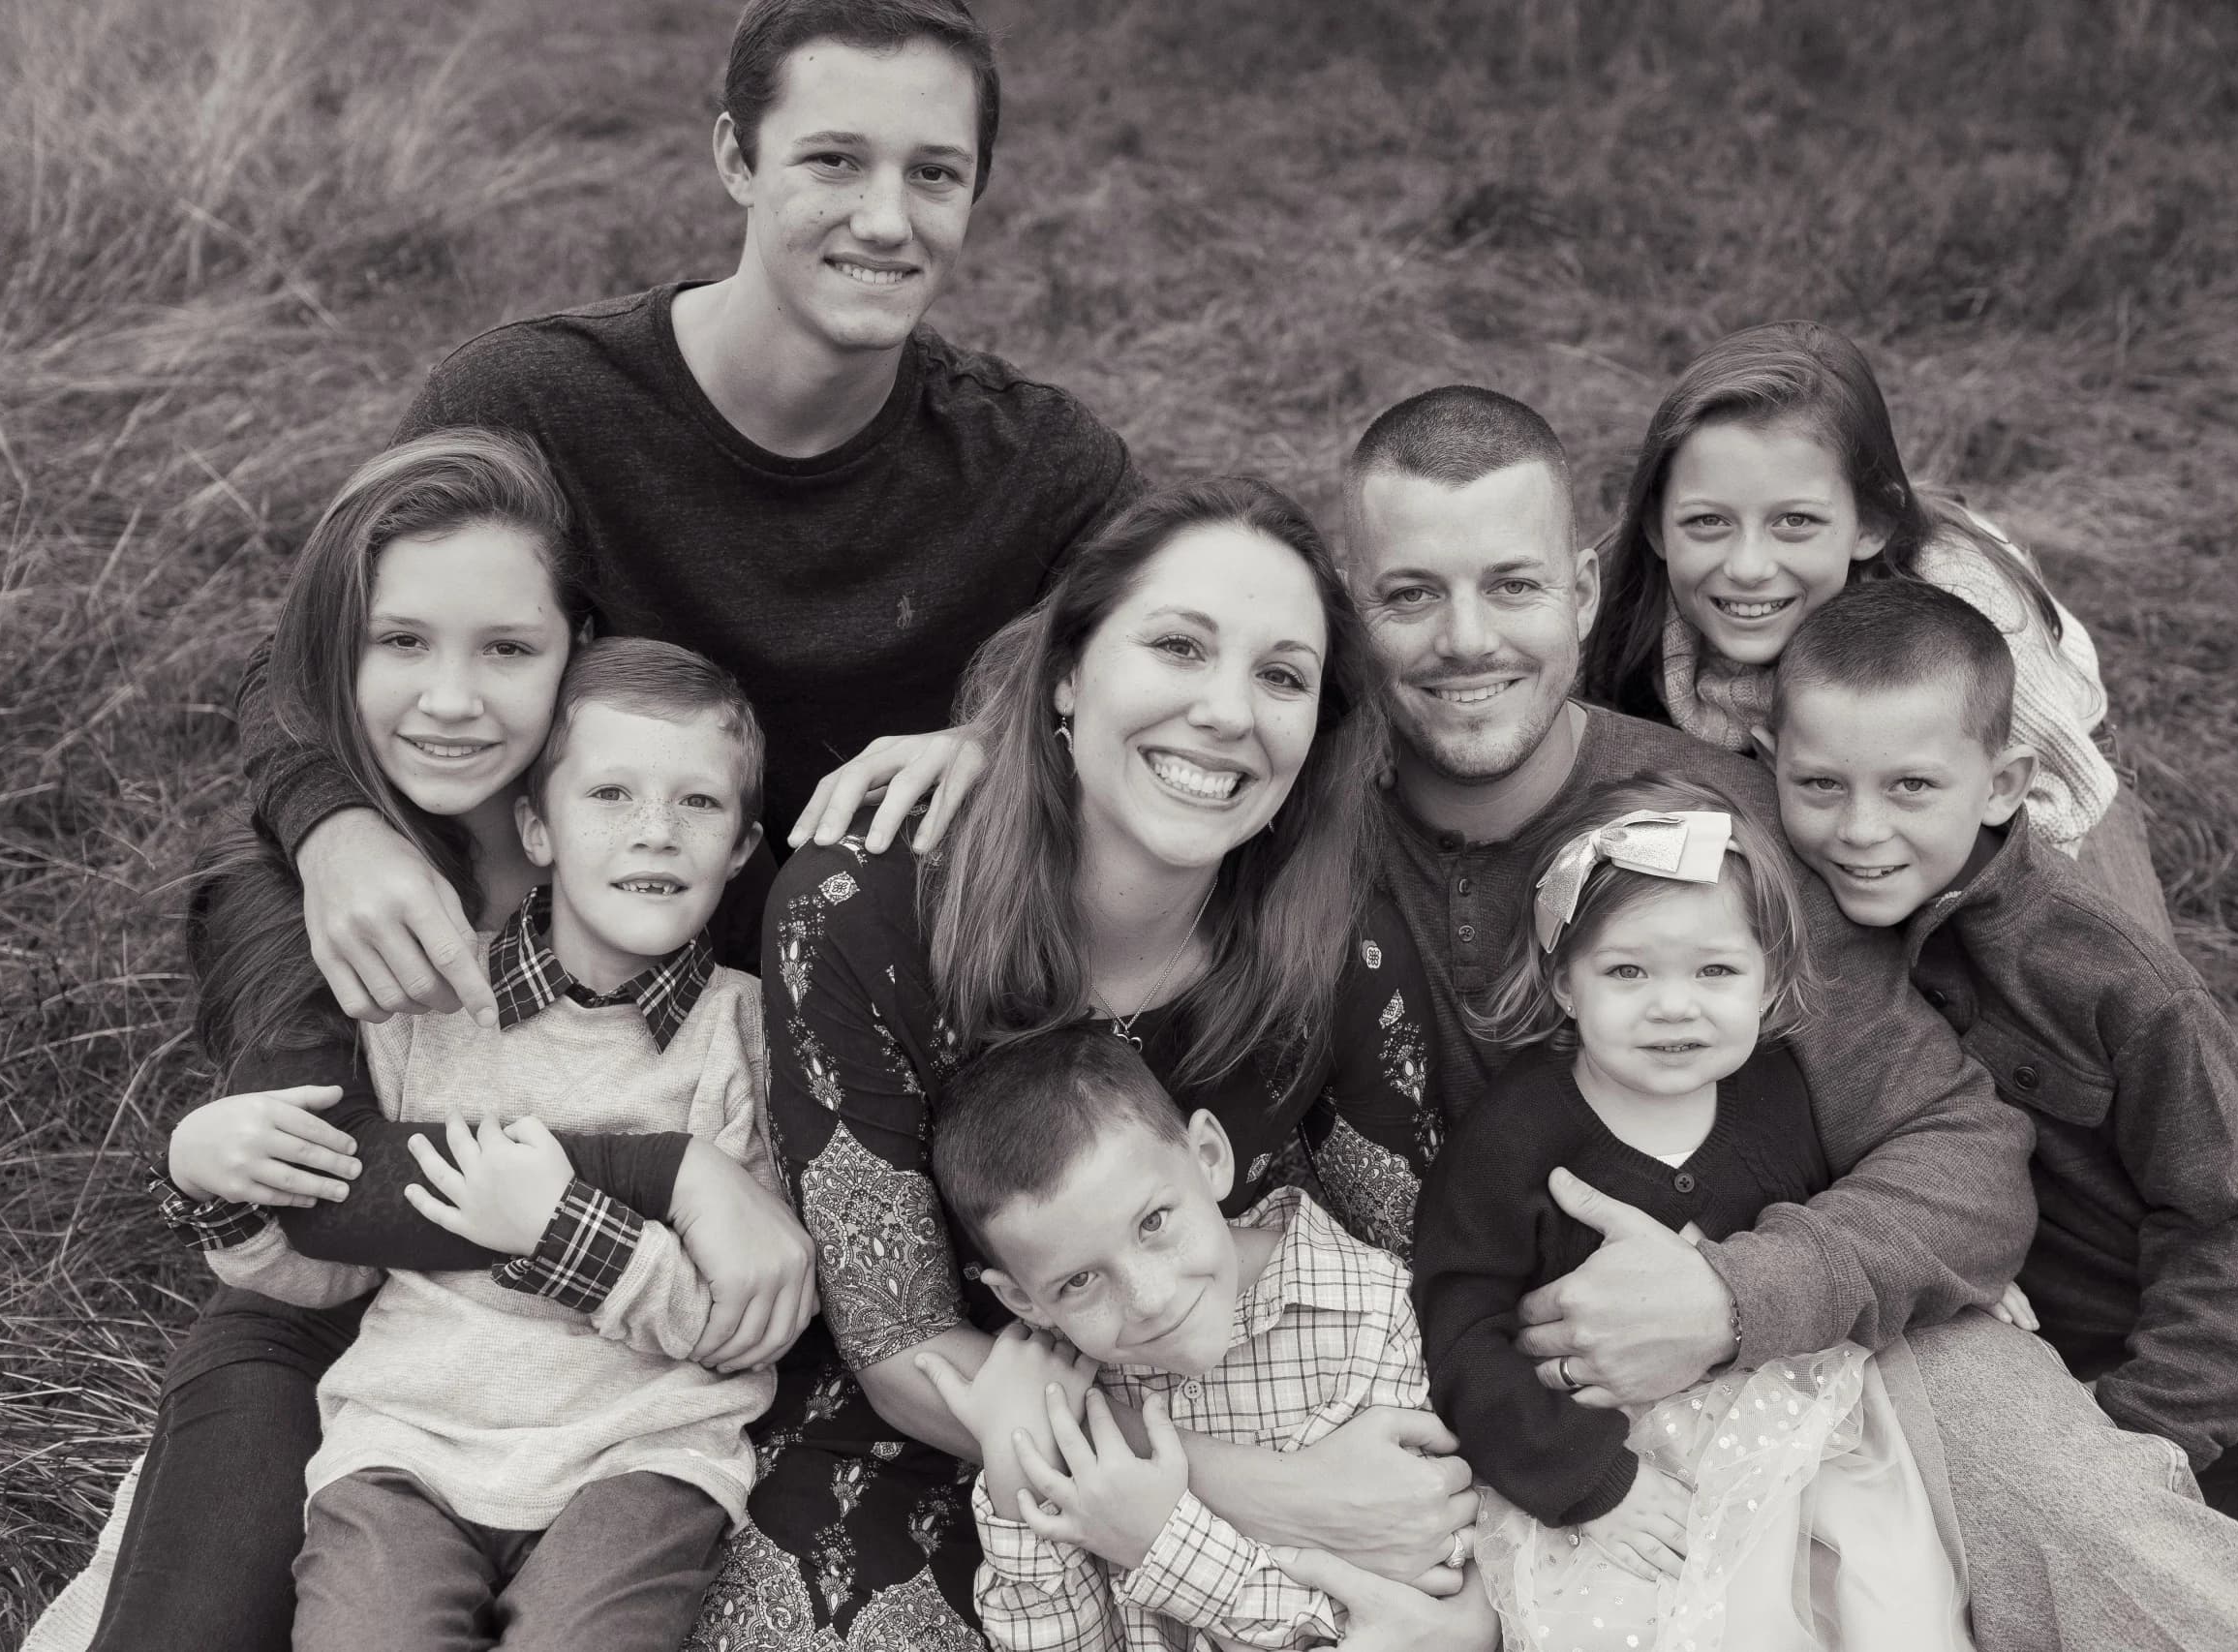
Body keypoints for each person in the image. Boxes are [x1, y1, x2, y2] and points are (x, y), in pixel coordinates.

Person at [1340, 383, 2238, 1651]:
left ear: (1583, 593)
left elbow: (1962, 1154)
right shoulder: (1292, 828)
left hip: (1812, 1317)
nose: (1467, 638)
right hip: (1487, 1369)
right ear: (1352, 606)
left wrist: (1734, 1293)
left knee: (2089, 1524)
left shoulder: (1721, 820)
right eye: (1411, 592)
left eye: (1515, 586)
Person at [24, 435, 814, 1652]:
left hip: (614, 1411)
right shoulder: (309, 907)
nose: (453, 698)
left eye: (507, 648)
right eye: (401, 642)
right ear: (340, 656)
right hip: (364, 1358)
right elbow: (328, 1205)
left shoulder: (668, 848)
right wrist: (668, 1176)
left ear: (573, 653)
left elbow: (753, 1280)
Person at [685, 477, 1488, 1649]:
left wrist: (1385, 1541)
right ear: (1066, 673)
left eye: (1280, 675)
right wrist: (1251, 1489)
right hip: (951, 1428)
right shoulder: (862, 909)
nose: (1225, 711)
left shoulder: (1332, 943)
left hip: (1262, 1393)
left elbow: (1411, 1264)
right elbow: (898, 1335)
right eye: (1177, 646)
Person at [255, 0, 1142, 1036]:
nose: (888, 220)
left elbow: (1193, 658)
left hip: (889, 950)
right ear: (736, 158)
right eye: (834, 161)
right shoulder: (533, 402)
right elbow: (305, 658)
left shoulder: (1041, 464)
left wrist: (1010, 735)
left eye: (934, 173)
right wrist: (337, 832)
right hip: (593, 893)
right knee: (284, 883)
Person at [1764, 578, 2238, 1627]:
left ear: (2002, 781)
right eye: (1820, 784)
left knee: (2165, 1597)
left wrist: (2140, 1440)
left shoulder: (2114, 981)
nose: (1859, 827)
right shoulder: (1819, 922)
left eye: (1911, 786)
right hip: (2045, 1349)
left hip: (2224, 1359)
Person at [179, 637, 780, 1650]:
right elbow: (337, 1265)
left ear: (742, 843)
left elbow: (743, 1315)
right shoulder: (428, 1004)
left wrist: (561, 1230)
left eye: (698, 804)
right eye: (611, 795)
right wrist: (222, 1189)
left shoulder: (748, 1034)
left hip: (640, 1452)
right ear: (536, 828)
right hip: (408, 1439)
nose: (655, 833)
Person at [1416, 777, 1971, 1651]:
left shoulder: (1776, 1093)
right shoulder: (1514, 1137)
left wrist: (1973, 1280)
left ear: (1768, 979)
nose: (1674, 1005)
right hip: (1612, 1466)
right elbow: (1460, 1333)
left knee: (1886, 1590)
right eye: (1628, 971)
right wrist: (1588, 1479)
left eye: (1715, 970)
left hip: (1787, 1428)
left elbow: (1838, 1220)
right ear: (1565, 983)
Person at [1576, 321, 2172, 938]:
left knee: (2096, 971)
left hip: (2048, 770)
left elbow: (2059, 799)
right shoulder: (1630, 589)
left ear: (1871, 522)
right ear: (1655, 526)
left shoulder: (1964, 599)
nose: (1746, 567)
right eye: (1707, 522)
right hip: (1830, 777)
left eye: (1796, 521)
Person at [920, 1025, 1435, 1650]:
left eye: (1154, 1222)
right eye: (1080, 1280)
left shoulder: (1367, 1317)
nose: (1151, 1299)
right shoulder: (1071, 1392)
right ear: (1025, 1301)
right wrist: (1010, 1461)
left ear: (1209, 1158)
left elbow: (1388, 1621)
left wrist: (1161, 1542)